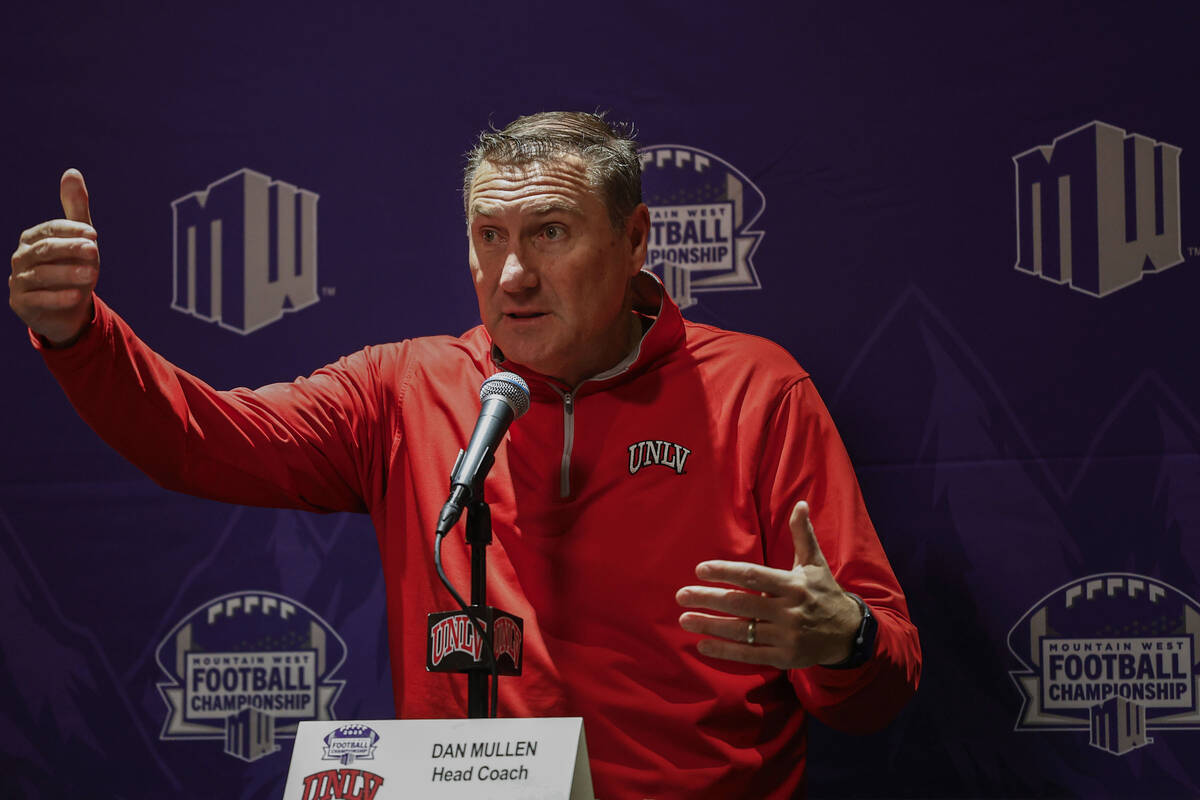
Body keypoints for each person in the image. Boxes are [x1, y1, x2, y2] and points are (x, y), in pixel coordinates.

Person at [10, 112, 921, 798]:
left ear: (635, 239)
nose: (513, 273)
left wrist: (845, 641)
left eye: (549, 234)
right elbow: (201, 442)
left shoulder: (758, 392)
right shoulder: (405, 390)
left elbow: (879, 688)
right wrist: (80, 334)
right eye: (490, 237)